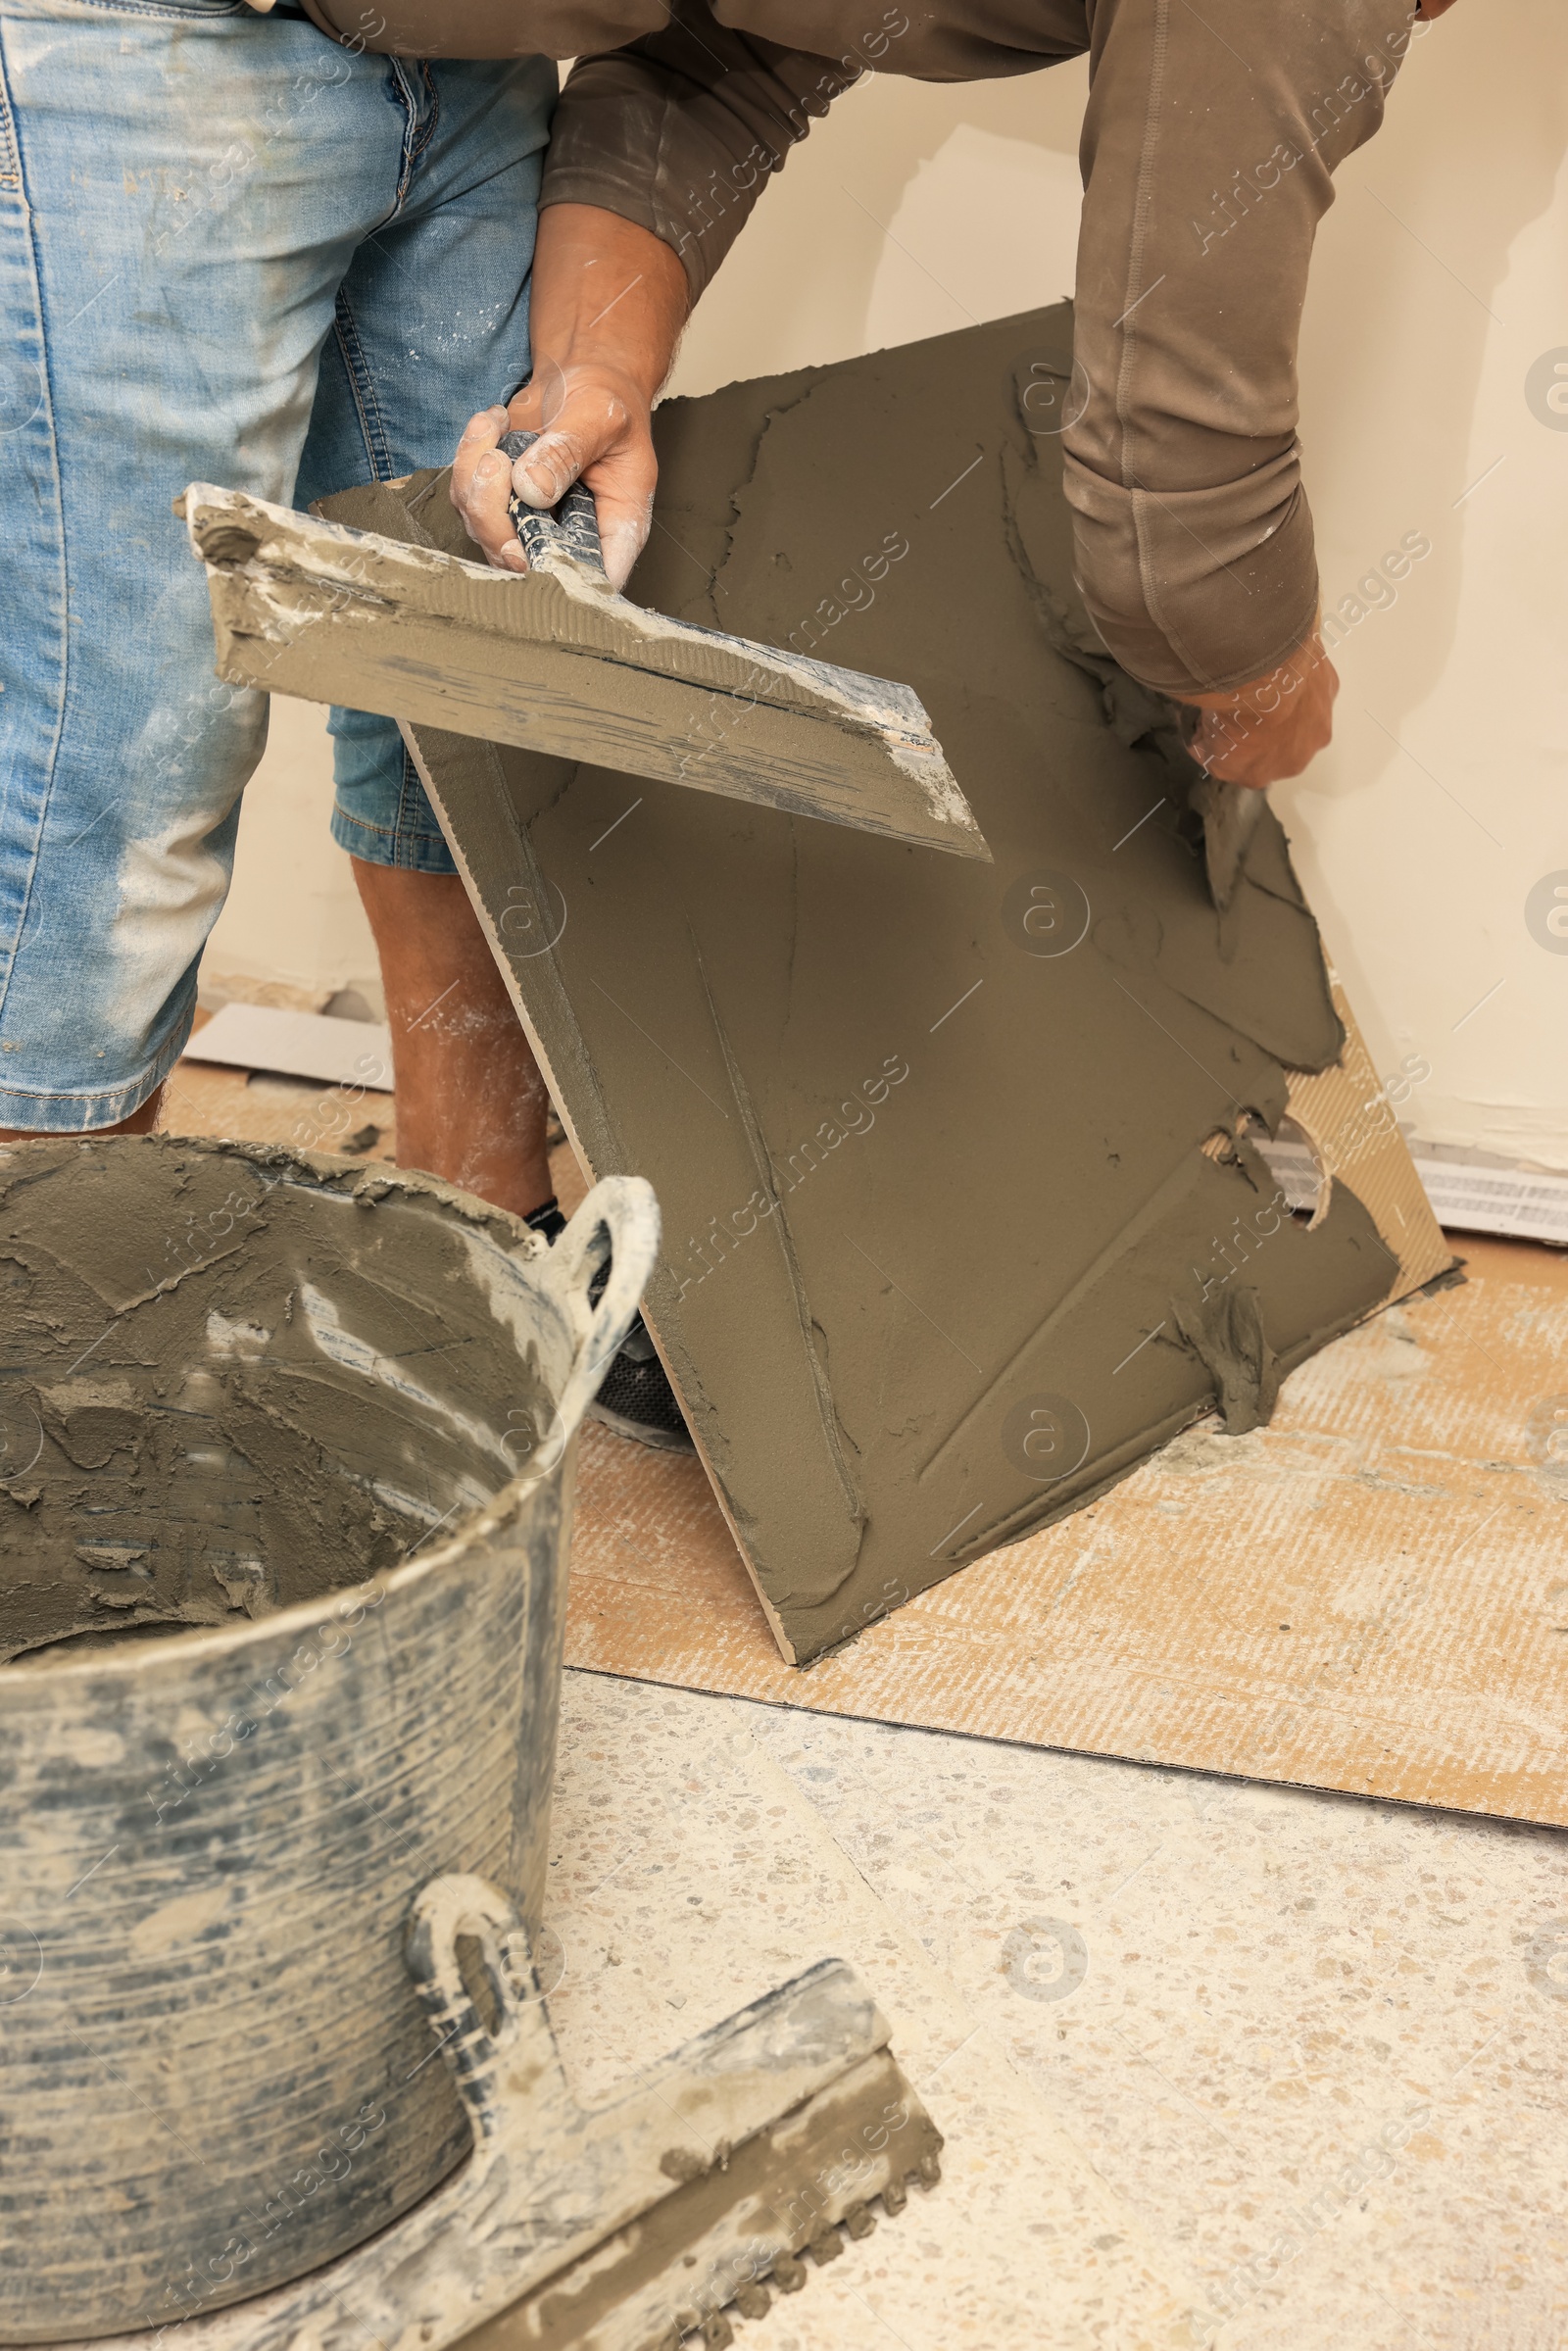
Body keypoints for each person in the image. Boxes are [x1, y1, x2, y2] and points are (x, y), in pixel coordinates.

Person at [0, 0, 1453, 1446]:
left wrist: (598, 369)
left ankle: (477, 1239)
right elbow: (1175, 495)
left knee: (482, 634)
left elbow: (730, 50)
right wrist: (1257, 672)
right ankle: (46, 1367)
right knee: (119, 732)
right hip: (165, 40)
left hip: (476, 58)